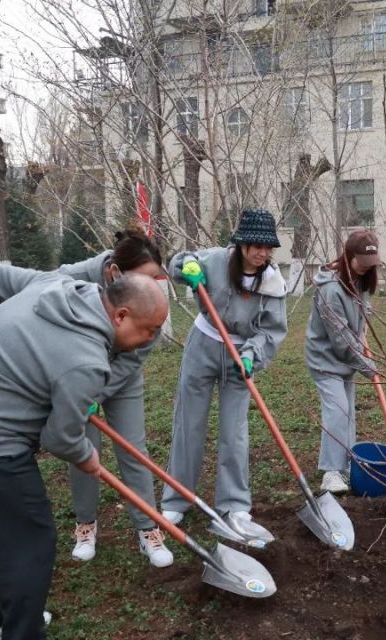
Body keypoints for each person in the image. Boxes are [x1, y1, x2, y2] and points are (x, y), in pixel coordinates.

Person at [0, 270, 168, 640]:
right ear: (120, 315)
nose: (150, 339)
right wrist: (87, 456)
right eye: (149, 330)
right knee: (31, 545)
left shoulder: (59, 286)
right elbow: (61, 438)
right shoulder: (86, 361)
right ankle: (21, 632)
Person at [160, 208, 287, 540]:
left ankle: (234, 503)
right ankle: (177, 497)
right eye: (256, 245)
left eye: (267, 247)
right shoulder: (216, 260)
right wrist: (185, 268)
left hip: (239, 356)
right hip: (202, 345)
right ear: (242, 244)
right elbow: (180, 262)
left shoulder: (272, 283)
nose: (262, 253)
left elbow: (272, 332)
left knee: (235, 431)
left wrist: (251, 356)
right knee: (189, 422)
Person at [57, 229, 173, 567]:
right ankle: (85, 525)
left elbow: (135, 356)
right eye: (147, 278)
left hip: (121, 377)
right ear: (115, 273)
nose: (154, 287)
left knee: (133, 448)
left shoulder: (150, 305)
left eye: (157, 278)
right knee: (82, 451)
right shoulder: (75, 280)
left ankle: (147, 528)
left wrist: (100, 390)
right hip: (79, 377)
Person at [304, 230, 379, 494]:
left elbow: (355, 328)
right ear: (348, 257)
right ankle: (331, 472)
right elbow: (341, 339)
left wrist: (361, 335)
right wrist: (368, 367)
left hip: (348, 358)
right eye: (362, 263)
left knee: (347, 413)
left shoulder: (360, 281)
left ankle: (347, 464)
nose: (366, 269)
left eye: (371, 264)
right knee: (338, 410)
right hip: (325, 358)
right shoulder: (330, 290)